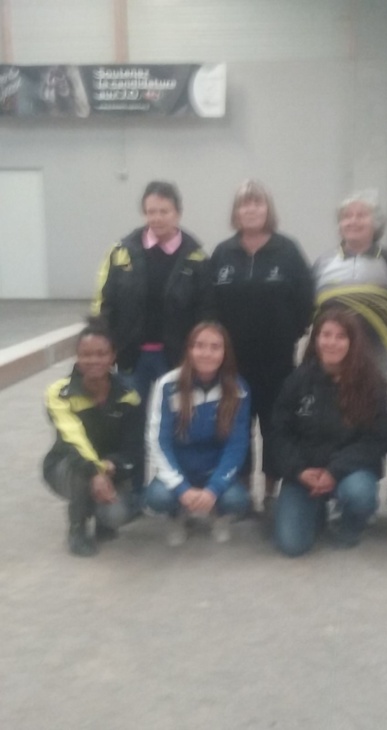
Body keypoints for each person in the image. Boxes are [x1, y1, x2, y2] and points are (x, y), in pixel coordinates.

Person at [210, 179, 314, 511]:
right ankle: (241, 490)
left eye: (257, 203)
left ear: (268, 209)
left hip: (276, 362)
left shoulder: (288, 251)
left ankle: (270, 491)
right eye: (245, 204)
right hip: (232, 363)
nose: (251, 209)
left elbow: (306, 301)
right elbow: (210, 306)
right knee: (235, 426)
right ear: (236, 212)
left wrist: (290, 333)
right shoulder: (222, 253)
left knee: (274, 426)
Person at [271, 309, 387, 557]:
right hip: (305, 472)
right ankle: (316, 509)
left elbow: (375, 440)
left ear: (353, 342)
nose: (332, 342)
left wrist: (334, 471)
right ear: (315, 339)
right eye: (326, 335)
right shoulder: (297, 380)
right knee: (292, 545)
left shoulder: (372, 383)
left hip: (349, 472)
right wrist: (299, 471)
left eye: (340, 336)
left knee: (358, 494)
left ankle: (350, 524)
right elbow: (279, 433)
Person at [92, 180, 213, 405]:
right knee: (131, 416)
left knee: (175, 416)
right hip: (130, 358)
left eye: (164, 211)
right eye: (151, 212)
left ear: (178, 213)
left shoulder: (197, 259)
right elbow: (104, 304)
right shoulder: (120, 253)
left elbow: (205, 313)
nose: (157, 218)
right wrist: (104, 346)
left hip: (176, 359)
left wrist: (198, 353)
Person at [43, 317, 143, 557]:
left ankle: (103, 523)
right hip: (68, 465)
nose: (94, 360)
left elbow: (134, 448)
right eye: (86, 354)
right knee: (81, 471)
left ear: (113, 356)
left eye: (101, 354)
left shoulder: (128, 395)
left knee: (117, 514)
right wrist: (96, 471)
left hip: (110, 467)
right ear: (77, 357)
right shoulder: (59, 393)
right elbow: (73, 440)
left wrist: (112, 465)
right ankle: (77, 528)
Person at [145, 322, 251, 546]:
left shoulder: (238, 389)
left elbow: (237, 445)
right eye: (199, 346)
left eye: (215, 347)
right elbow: (158, 440)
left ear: (225, 352)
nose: (207, 353)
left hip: (214, 470)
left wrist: (214, 489)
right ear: (189, 349)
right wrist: (181, 488)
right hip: (180, 468)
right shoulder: (167, 385)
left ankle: (217, 514)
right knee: (157, 497)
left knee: (238, 500)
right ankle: (177, 515)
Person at [314, 193, 387, 383]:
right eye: (347, 216)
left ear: (376, 223)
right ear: (340, 225)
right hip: (331, 364)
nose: (353, 221)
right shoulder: (322, 263)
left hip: (378, 362)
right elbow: (311, 311)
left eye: (361, 215)